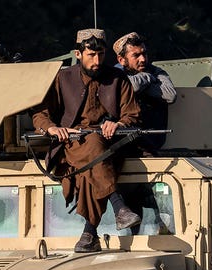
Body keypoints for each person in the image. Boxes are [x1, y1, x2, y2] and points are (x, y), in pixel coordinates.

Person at [30, 28, 142, 253]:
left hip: (111, 143)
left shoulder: (117, 78)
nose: (97, 60)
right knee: (93, 147)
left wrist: (118, 124)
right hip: (70, 142)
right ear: (78, 54)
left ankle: (90, 233)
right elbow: (40, 114)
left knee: (92, 164)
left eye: (101, 54)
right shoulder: (63, 78)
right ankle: (118, 206)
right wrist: (52, 128)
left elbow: (132, 114)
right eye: (91, 55)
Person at [113, 32, 177, 156]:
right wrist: (146, 78)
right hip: (122, 140)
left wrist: (143, 87)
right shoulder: (116, 72)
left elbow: (170, 95)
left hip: (151, 140)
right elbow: (131, 86)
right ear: (122, 60)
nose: (143, 59)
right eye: (136, 55)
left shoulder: (156, 71)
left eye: (144, 53)